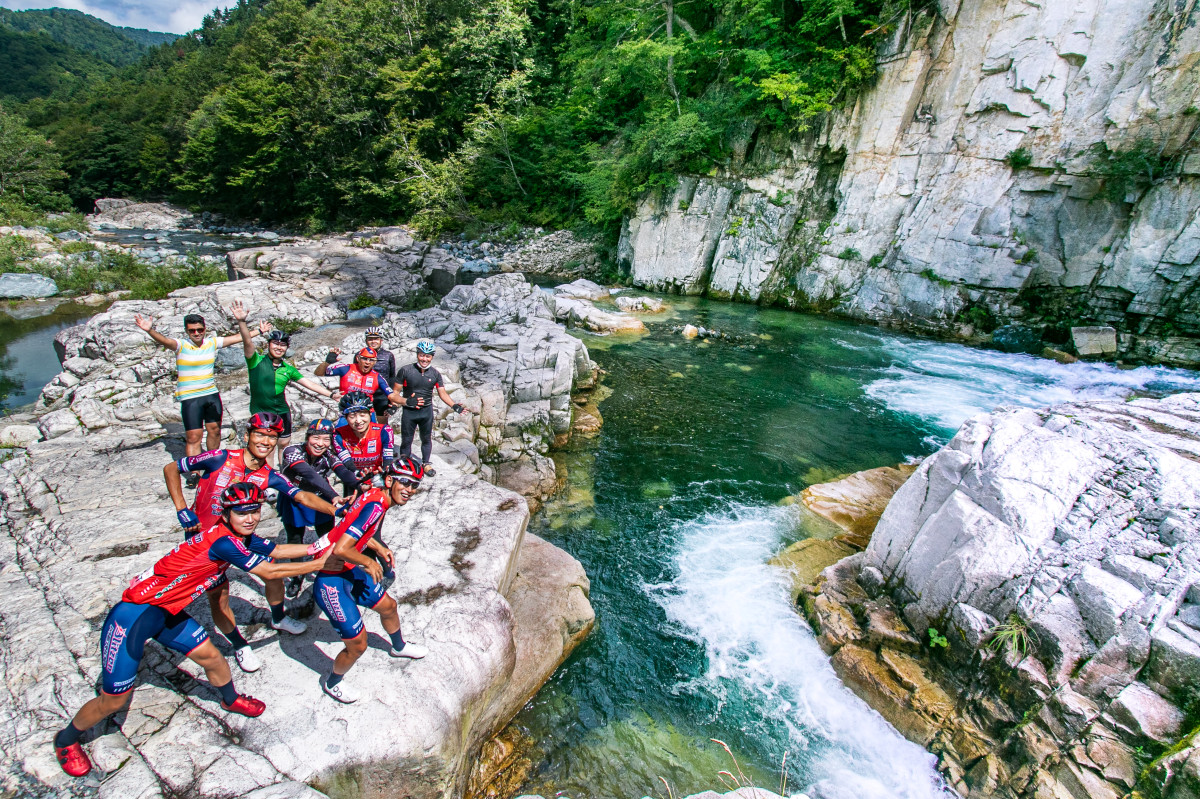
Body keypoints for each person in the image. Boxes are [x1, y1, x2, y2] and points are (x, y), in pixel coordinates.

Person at [54, 482, 328, 778]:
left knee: (212, 657)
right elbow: (269, 570)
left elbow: (276, 549)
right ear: (225, 514)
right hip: (132, 618)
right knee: (115, 700)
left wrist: (318, 546)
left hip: (165, 612)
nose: (250, 518)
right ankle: (66, 740)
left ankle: (230, 698)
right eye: (241, 512)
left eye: (254, 510)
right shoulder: (224, 543)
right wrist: (320, 563)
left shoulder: (237, 536)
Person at [164, 412, 340, 672]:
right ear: (247, 435)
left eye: (272, 437)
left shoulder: (269, 474)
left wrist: (335, 510)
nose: (266, 442)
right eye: (260, 434)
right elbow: (172, 468)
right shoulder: (219, 458)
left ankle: (278, 618)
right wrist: (182, 508)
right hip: (205, 542)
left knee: (273, 576)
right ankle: (239, 645)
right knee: (219, 598)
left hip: (241, 537)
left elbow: (302, 496)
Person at [310, 457, 429, 703]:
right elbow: (342, 548)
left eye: (414, 485)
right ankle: (332, 683)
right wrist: (369, 561)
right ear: (389, 481)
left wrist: (375, 545)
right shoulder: (376, 506)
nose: (409, 490)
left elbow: (351, 525)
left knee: (389, 606)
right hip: (331, 579)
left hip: (347, 569)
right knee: (358, 645)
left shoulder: (375, 496)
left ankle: (399, 647)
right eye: (405, 483)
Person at [135, 302, 264, 460]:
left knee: (215, 430)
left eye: (200, 329)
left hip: (210, 394)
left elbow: (238, 338)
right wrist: (149, 330)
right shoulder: (181, 345)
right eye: (192, 330)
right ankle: (194, 470)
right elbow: (164, 341)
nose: (196, 333)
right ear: (187, 331)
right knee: (194, 437)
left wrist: (259, 330)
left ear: (205, 329)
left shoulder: (211, 343)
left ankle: (211, 461)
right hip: (190, 397)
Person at [233, 301, 339, 465]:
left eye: (282, 345)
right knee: (267, 446)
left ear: (286, 348)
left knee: (283, 443)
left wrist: (331, 394)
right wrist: (241, 322)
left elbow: (308, 383)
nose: (278, 348)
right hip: (261, 412)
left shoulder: (288, 368)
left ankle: (284, 472)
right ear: (268, 344)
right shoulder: (255, 362)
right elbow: (247, 343)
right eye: (275, 343)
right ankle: (267, 475)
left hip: (282, 411)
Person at [278, 419, 362, 598]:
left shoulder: (329, 456)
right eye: (316, 438)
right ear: (307, 437)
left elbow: (343, 472)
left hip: (319, 499)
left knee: (328, 536)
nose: (320, 444)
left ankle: (331, 569)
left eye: (326, 439)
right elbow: (310, 474)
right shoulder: (292, 451)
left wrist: (362, 483)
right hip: (295, 499)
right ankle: (297, 576)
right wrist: (333, 495)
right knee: (294, 538)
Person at [396, 340, 466, 473]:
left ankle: (426, 463)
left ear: (432, 357)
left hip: (426, 412)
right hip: (409, 411)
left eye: (428, 356)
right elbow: (395, 393)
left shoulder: (435, 374)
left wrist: (455, 405)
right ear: (417, 354)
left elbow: (442, 393)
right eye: (422, 355)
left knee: (426, 439)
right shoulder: (405, 370)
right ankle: (404, 462)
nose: (424, 359)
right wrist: (402, 402)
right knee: (407, 439)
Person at [314, 346, 402, 419]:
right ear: (358, 358)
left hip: (367, 414)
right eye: (364, 359)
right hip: (346, 413)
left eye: (371, 360)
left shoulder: (378, 377)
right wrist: (327, 363)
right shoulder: (345, 368)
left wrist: (401, 402)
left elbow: (392, 395)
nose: (367, 362)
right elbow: (318, 373)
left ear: (375, 362)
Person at [332, 391, 396, 483]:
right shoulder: (338, 434)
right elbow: (347, 463)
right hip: (354, 478)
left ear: (370, 414)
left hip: (377, 477)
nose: (358, 421)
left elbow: (388, 461)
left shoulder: (385, 431)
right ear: (345, 418)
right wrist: (358, 474)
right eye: (352, 416)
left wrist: (385, 474)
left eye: (362, 415)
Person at [364, 327, 397, 424]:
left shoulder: (388, 355)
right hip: (365, 395)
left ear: (381, 340)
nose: (373, 341)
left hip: (382, 395)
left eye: (376, 339)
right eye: (370, 339)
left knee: (382, 425)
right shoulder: (359, 355)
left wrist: (392, 398)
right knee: (364, 424)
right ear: (366, 340)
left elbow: (392, 377)